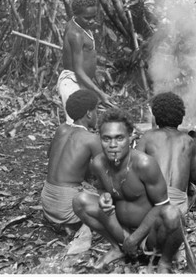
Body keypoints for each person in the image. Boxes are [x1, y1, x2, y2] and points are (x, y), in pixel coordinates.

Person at [72, 108, 183, 273]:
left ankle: (165, 262)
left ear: (130, 137)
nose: (113, 145)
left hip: (147, 234)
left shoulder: (144, 164)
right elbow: (102, 188)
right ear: (99, 139)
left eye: (119, 138)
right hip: (119, 229)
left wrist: (135, 239)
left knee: (173, 214)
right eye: (106, 139)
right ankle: (117, 247)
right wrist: (104, 196)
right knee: (79, 201)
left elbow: (162, 205)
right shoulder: (97, 163)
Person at [136, 92, 196, 214]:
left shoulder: (148, 136)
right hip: (177, 208)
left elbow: (132, 167)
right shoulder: (188, 141)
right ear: (181, 117)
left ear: (156, 116)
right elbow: (195, 176)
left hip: (152, 201)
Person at [41, 89, 102, 235]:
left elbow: (50, 154)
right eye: (96, 111)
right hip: (66, 205)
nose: (97, 116)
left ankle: (61, 223)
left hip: (47, 201)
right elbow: (106, 171)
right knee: (110, 201)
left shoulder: (61, 129)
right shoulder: (91, 139)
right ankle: (74, 224)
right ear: (88, 113)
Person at [58, 0, 114, 124]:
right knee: (77, 126)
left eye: (94, 17)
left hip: (83, 82)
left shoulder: (80, 25)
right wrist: (100, 93)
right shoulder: (76, 34)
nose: (92, 21)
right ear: (75, 15)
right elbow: (78, 70)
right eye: (87, 18)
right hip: (72, 82)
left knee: (90, 124)